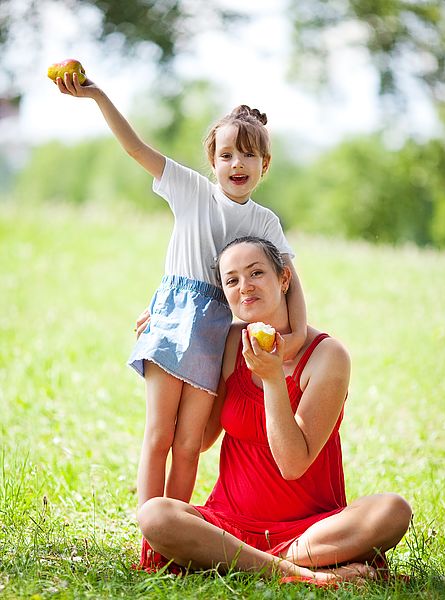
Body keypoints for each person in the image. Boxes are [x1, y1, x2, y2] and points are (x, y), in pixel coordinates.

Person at [52, 73, 308, 567]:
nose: (237, 164)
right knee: (159, 436)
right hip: (172, 322)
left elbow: (289, 280)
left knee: (190, 443)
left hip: (220, 333)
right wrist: (99, 95)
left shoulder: (265, 222)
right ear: (211, 161)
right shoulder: (191, 190)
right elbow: (134, 148)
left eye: (248, 155)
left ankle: (174, 545)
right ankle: (149, 544)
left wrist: (295, 333)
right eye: (227, 154)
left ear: (265, 165)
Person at [134, 236, 412, 586]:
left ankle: (242, 561)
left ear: (284, 279)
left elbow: (293, 463)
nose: (245, 287)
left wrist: (272, 379)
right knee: (157, 515)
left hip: (310, 531)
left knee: (393, 510)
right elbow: (201, 439)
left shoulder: (328, 357)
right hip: (229, 523)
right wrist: (162, 339)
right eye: (232, 280)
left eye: (256, 273)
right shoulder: (230, 342)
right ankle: (309, 575)